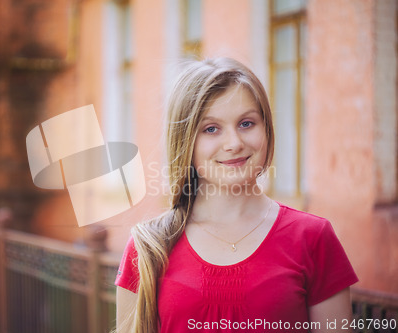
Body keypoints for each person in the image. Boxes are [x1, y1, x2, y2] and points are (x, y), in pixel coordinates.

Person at [115, 58, 358, 333]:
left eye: (246, 123)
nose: (234, 143)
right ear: (184, 141)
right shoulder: (147, 249)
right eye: (211, 129)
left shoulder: (313, 238)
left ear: (266, 129)